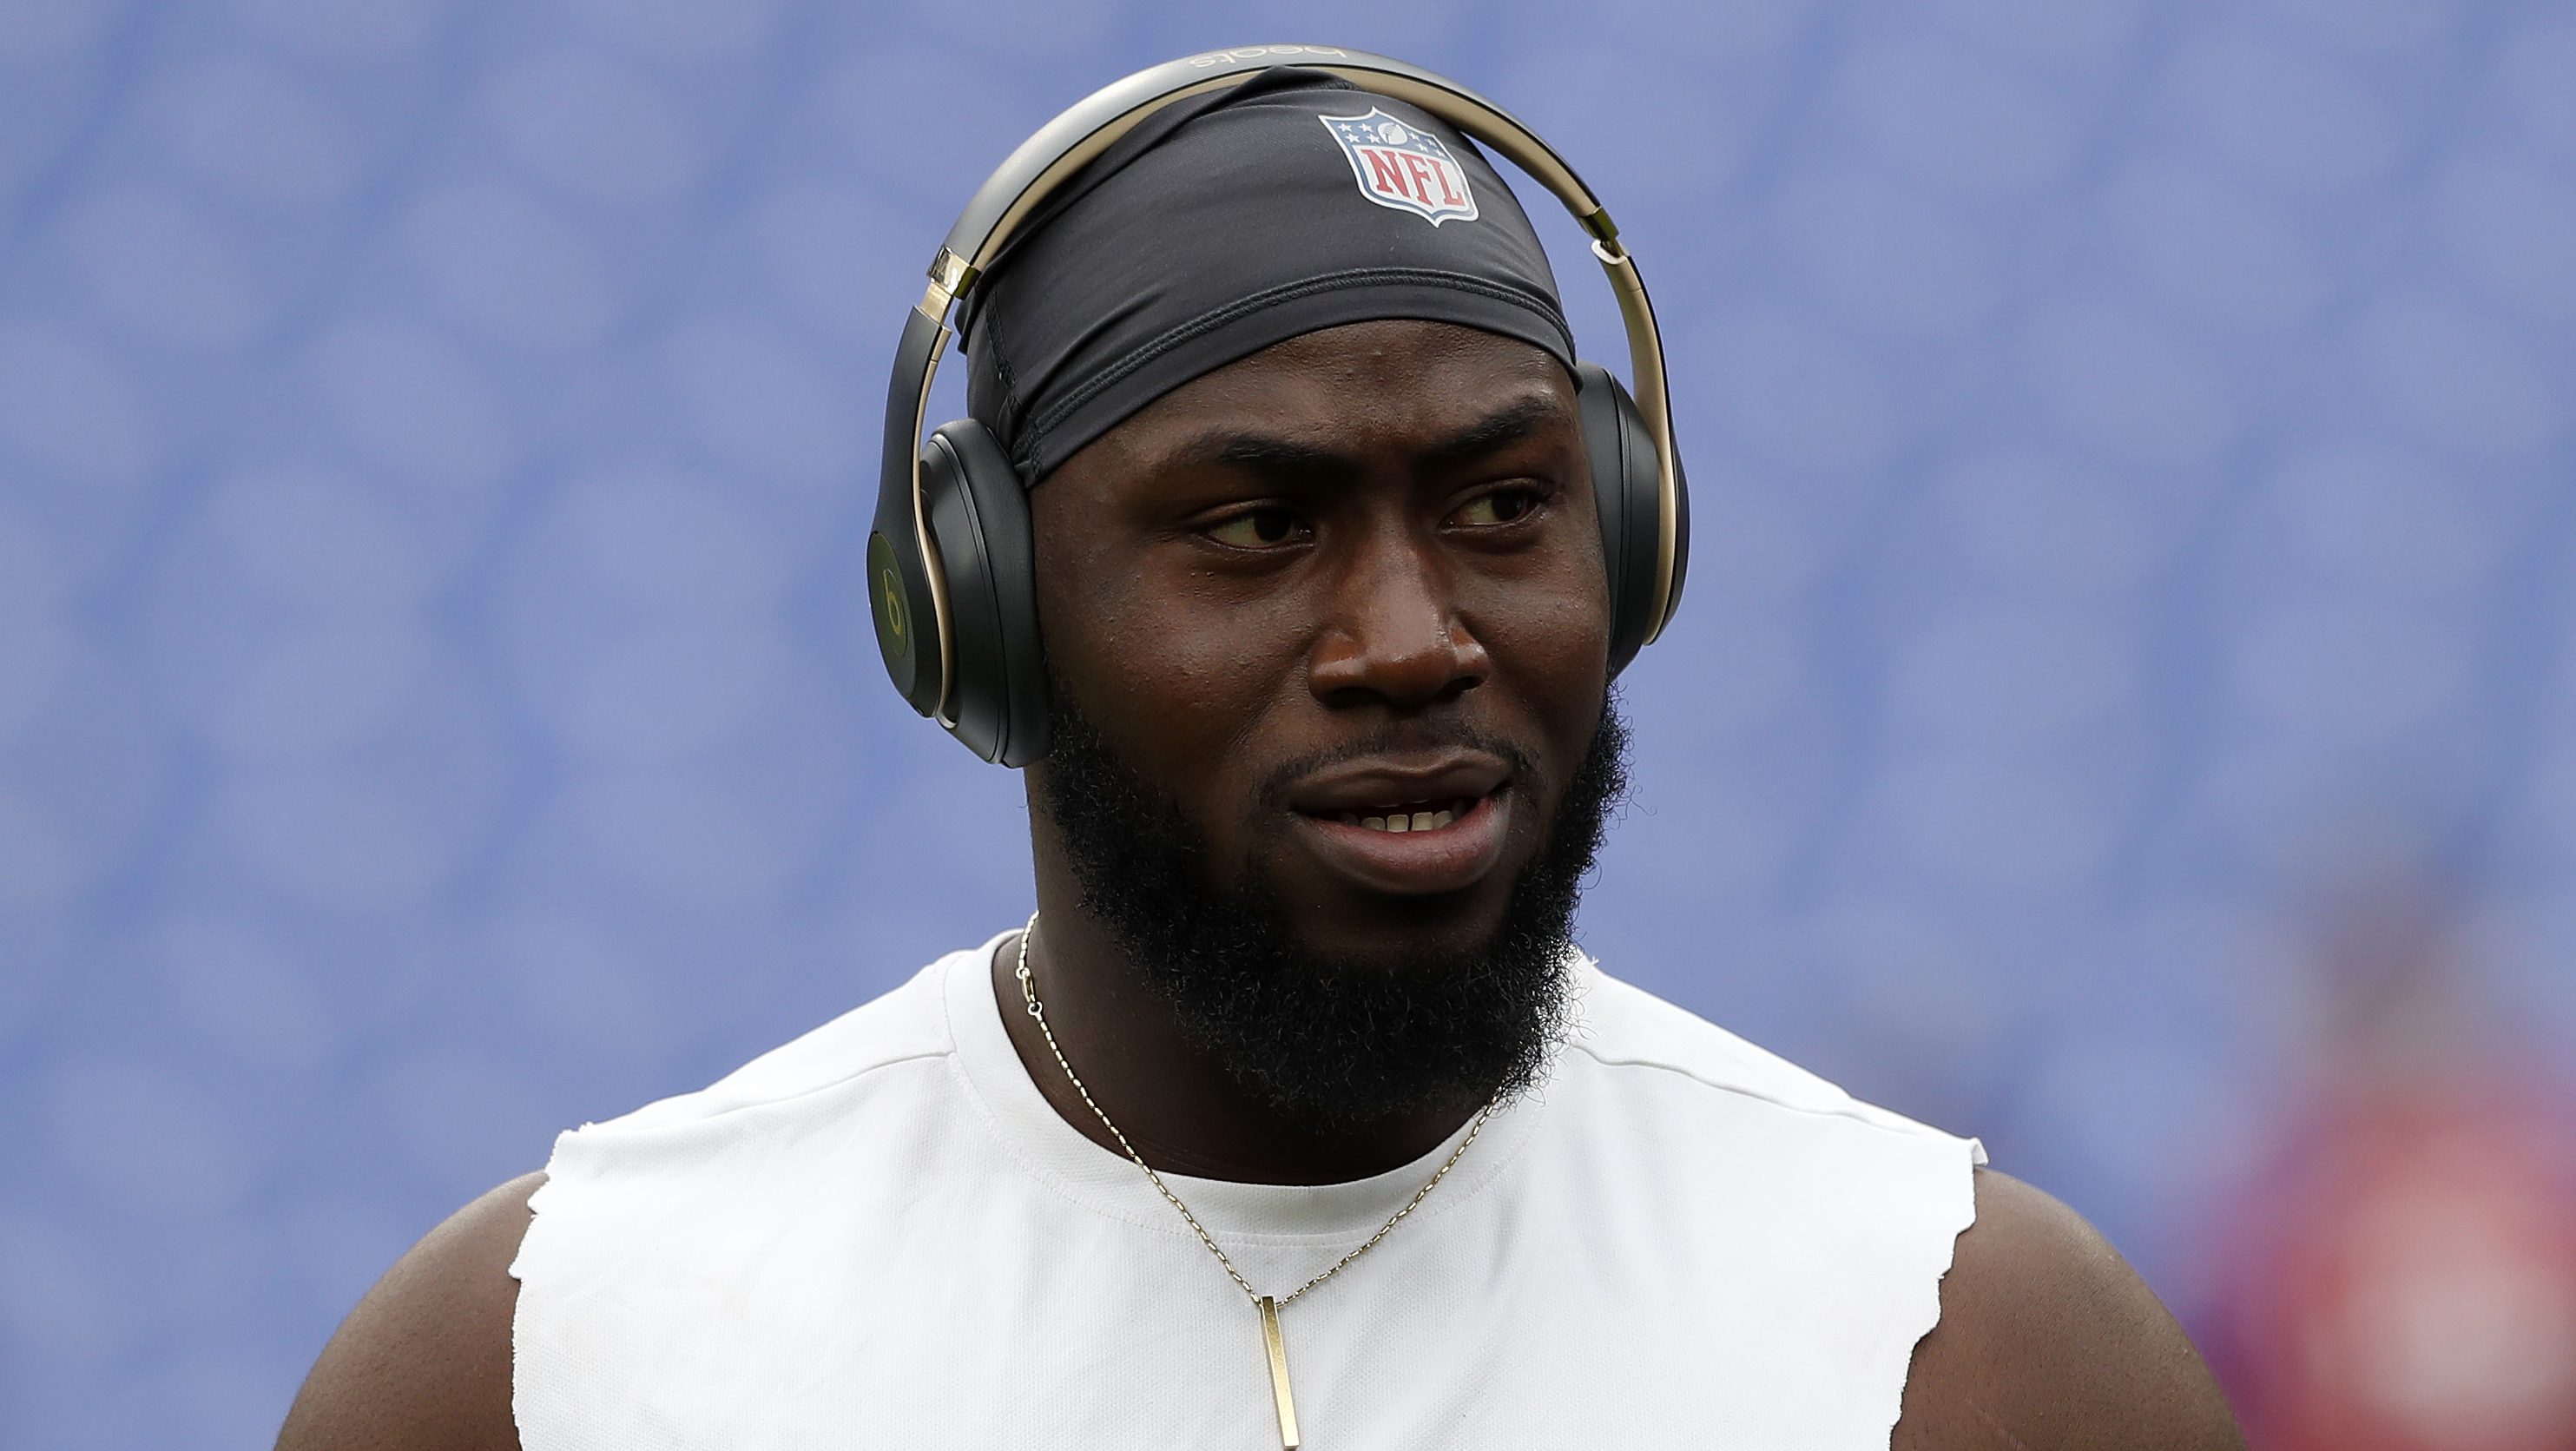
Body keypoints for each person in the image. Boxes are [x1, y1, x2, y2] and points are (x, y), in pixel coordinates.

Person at [278, 52, 2244, 1451]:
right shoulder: (550, 1361)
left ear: (1630, 548)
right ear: (987, 610)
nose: (1411, 638)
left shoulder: (1961, 1349)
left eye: (1499, 505)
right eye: (1253, 524)